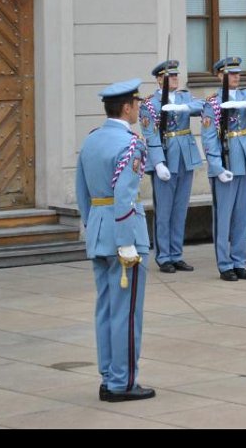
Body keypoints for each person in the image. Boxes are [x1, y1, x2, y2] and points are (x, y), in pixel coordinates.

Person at [76, 78, 155, 402]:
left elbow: (83, 192)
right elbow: (124, 195)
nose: (138, 108)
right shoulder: (130, 144)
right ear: (126, 107)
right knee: (127, 313)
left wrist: (93, 225)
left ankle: (109, 375)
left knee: (106, 309)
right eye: (136, 103)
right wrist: (125, 241)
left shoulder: (92, 140)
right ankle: (123, 382)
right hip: (125, 235)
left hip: (98, 229)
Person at [200, 56, 246, 281]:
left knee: (241, 216)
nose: (236, 77)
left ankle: (239, 261)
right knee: (224, 217)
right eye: (231, 73)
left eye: (238, 73)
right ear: (220, 75)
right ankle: (225, 264)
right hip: (226, 162)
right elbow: (209, 137)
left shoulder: (245, 97)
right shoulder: (212, 104)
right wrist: (217, 166)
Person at [140, 60, 204, 274]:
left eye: (176, 75)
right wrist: (158, 162)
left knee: (180, 210)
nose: (175, 78)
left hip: (185, 157)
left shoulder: (185, 97)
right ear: (159, 79)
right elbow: (150, 135)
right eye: (170, 76)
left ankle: (177, 254)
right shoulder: (149, 104)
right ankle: (164, 256)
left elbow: (201, 106)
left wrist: (181, 107)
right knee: (164, 211)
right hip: (166, 158)